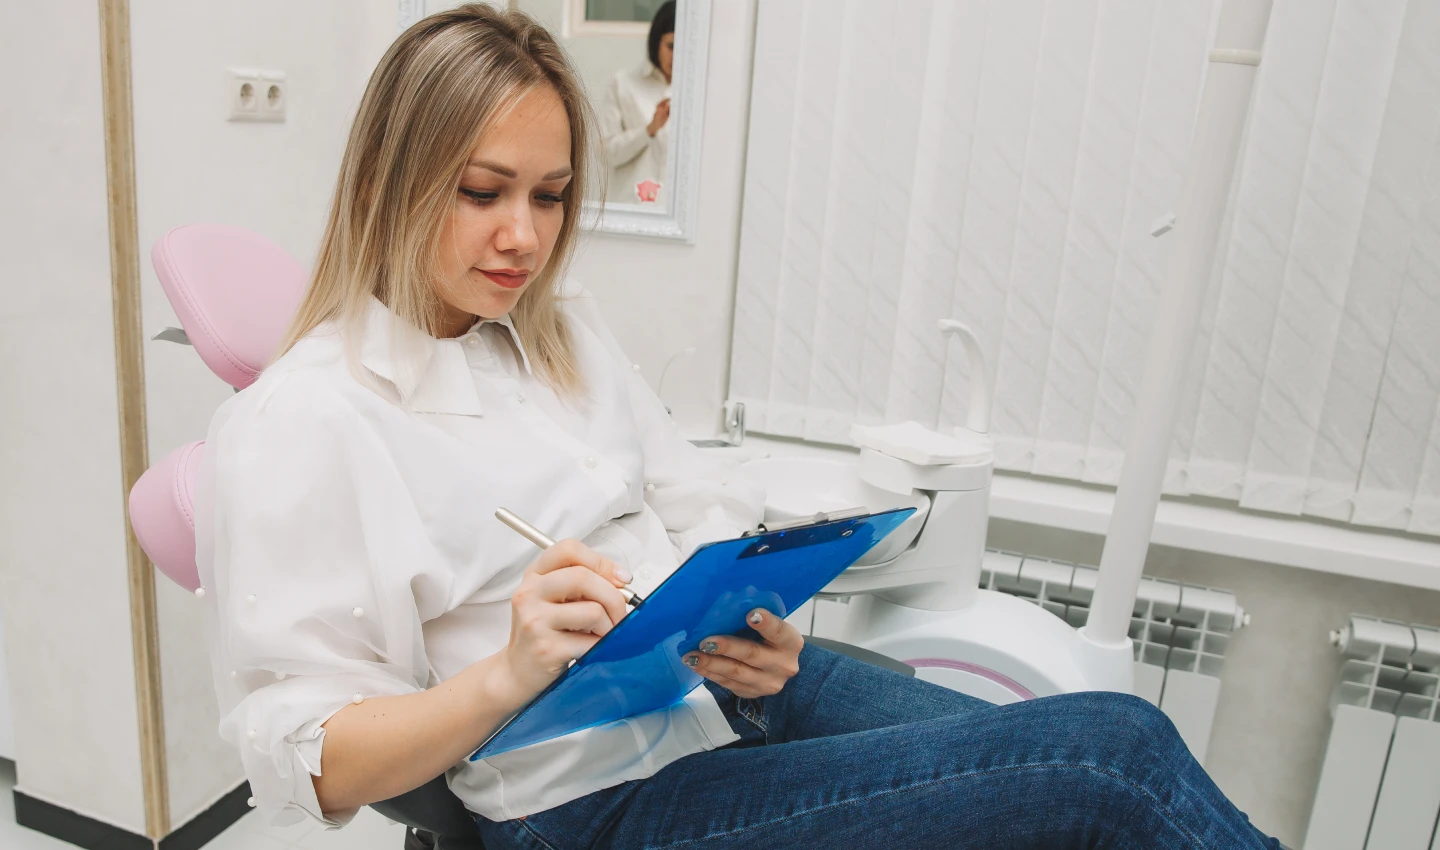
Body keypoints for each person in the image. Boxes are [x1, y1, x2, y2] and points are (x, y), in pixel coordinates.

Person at [197, 5, 1285, 848]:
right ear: (391, 178)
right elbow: (308, 754)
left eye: (554, 195)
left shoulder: (554, 330)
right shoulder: (307, 419)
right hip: (596, 801)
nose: (523, 237)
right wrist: (507, 670)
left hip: (725, 693)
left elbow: (685, 496)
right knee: (1113, 760)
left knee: (1090, 754)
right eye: (483, 191)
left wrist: (734, 608)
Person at [598, 1, 673, 204]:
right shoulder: (623, 84)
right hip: (630, 211)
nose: (676, 56)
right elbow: (608, 154)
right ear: (656, 41)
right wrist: (649, 129)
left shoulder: (700, 97)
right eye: (671, 46)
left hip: (680, 219)